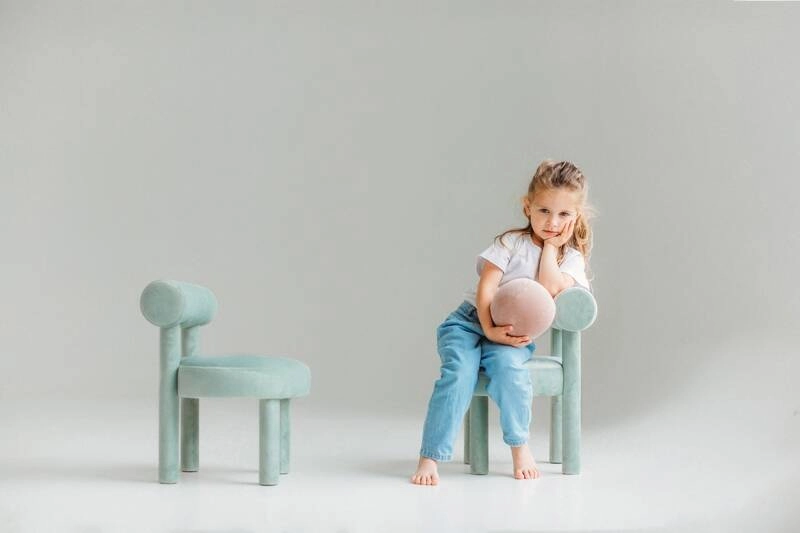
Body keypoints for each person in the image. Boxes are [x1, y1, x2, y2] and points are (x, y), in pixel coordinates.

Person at [411, 159, 594, 485]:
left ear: (576, 216)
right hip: (470, 322)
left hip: (511, 335)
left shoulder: (571, 259)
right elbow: (487, 287)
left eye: (564, 214)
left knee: (512, 374)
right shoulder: (510, 243)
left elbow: (551, 287)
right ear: (527, 207)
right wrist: (488, 327)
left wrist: (550, 248)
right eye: (544, 211)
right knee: (458, 374)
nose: (552, 222)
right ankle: (430, 456)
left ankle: (519, 446)